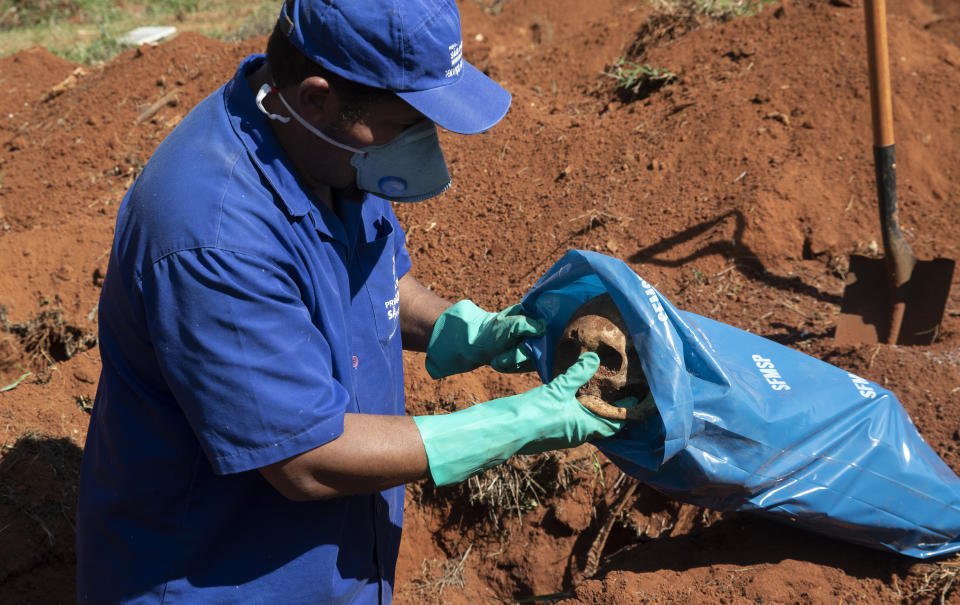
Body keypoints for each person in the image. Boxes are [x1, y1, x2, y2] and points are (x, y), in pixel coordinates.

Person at [76, 1, 635, 602]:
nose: (422, 146)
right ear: (317, 98)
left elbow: (377, 278)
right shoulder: (214, 236)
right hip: (222, 578)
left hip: (333, 565)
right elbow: (307, 459)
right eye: (406, 126)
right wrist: (514, 423)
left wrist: (460, 327)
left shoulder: (326, 149)